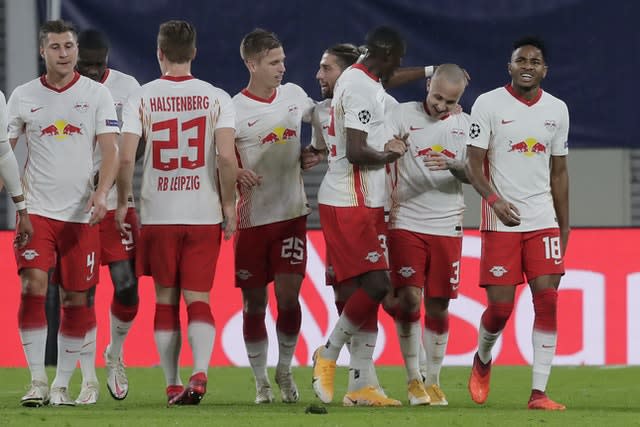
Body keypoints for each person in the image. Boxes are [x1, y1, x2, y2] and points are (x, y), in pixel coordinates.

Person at [306, 43, 438, 402]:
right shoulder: (325, 109)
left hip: (371, 207)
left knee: (372, 291)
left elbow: (328, 147)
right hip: (348, 204)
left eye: (327, 69)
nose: (320, 76)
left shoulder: (378, 102)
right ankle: (348, 372)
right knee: (357, 293)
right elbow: (329, 147)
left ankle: (355, 376)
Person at [117, 19, 237, 406]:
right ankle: (199, 372)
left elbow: (124, 157)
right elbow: (224, 157)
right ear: (194, 53)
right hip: (203, 213)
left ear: (160, 53)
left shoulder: (142, 96)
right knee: (199, 299)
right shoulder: (217, 96)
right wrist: (230, 204)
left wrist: (122, 200)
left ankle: (171, 383)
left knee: (165, 300)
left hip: (158, 213)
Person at [9, 19, 119, 407]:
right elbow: (5, 151)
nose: (64, 53)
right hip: (36, 210)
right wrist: (15, 200)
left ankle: (62, 384)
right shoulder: (22, 96)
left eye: (69, 46)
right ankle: (38, 381)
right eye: (55, 47)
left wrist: (103, 193)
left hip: (81, 213)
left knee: (76, 300)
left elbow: (111, 151)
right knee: (32, 287)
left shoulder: (96, 95)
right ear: (43, 51)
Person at [464, 36, 569, 411]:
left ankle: (538, 393)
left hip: (542, 221)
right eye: (520, 59)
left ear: (544, 69)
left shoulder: (557, 110)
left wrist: (564, 226)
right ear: (509, 67)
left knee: (548, 301)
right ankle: (483, 356)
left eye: (535, 61)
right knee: (500, 310)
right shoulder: (487, 104)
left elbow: (559, 173)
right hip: (500, 221)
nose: (528, 65)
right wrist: (493, 200)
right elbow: (473, 164)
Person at [233, 28, 315, 404]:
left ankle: (284, 369)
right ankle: (259, 381)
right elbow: (214, 160)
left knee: (288, 297)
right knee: (253, 303)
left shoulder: (295, 96)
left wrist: (317, 150)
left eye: (282, 60)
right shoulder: (233, 109)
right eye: (273, 62)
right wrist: (235, 174)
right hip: (251, 222)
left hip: (291, 216)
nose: (282, 68)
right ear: (252, 63)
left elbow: (330, 119)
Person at [386, 64, 470, 406]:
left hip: (448, 222)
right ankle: (412, 378)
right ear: (427, 85)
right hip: (406, 219)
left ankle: (433, 379)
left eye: (449, 102)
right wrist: (391, 145)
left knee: (439, 305)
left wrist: (455, 166)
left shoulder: (466, 125)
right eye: (436, 97)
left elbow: (475, 173)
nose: (440, 106)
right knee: (410, 300)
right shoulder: (401, 114)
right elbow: (381, 143)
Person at [65, 28, 141, 404]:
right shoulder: (62, 90)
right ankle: (89, 378)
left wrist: (110, 176)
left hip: (115, 204)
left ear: (108, 58)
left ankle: (116, 354)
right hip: (73, 209)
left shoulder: (128, 88)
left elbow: (137, 146)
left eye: (99, 64)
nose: (93, 71)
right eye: (86, 65)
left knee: (127, 287)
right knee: (83, 291)